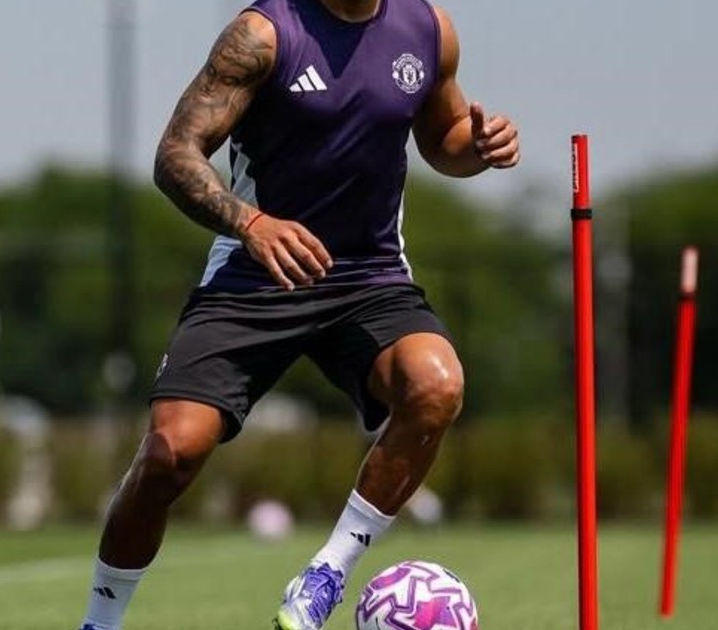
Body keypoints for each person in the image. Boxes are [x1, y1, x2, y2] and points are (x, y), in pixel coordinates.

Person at [78, 0, 519, 628]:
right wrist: (251, 223)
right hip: (253, 274)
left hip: (368, 275)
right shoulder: (264, 34)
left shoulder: (428, 30)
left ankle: (326, 574)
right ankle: (99, 622)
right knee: (170, 453)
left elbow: (443, 139)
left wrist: (477, 146)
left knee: (436, 385)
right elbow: (175, 154)